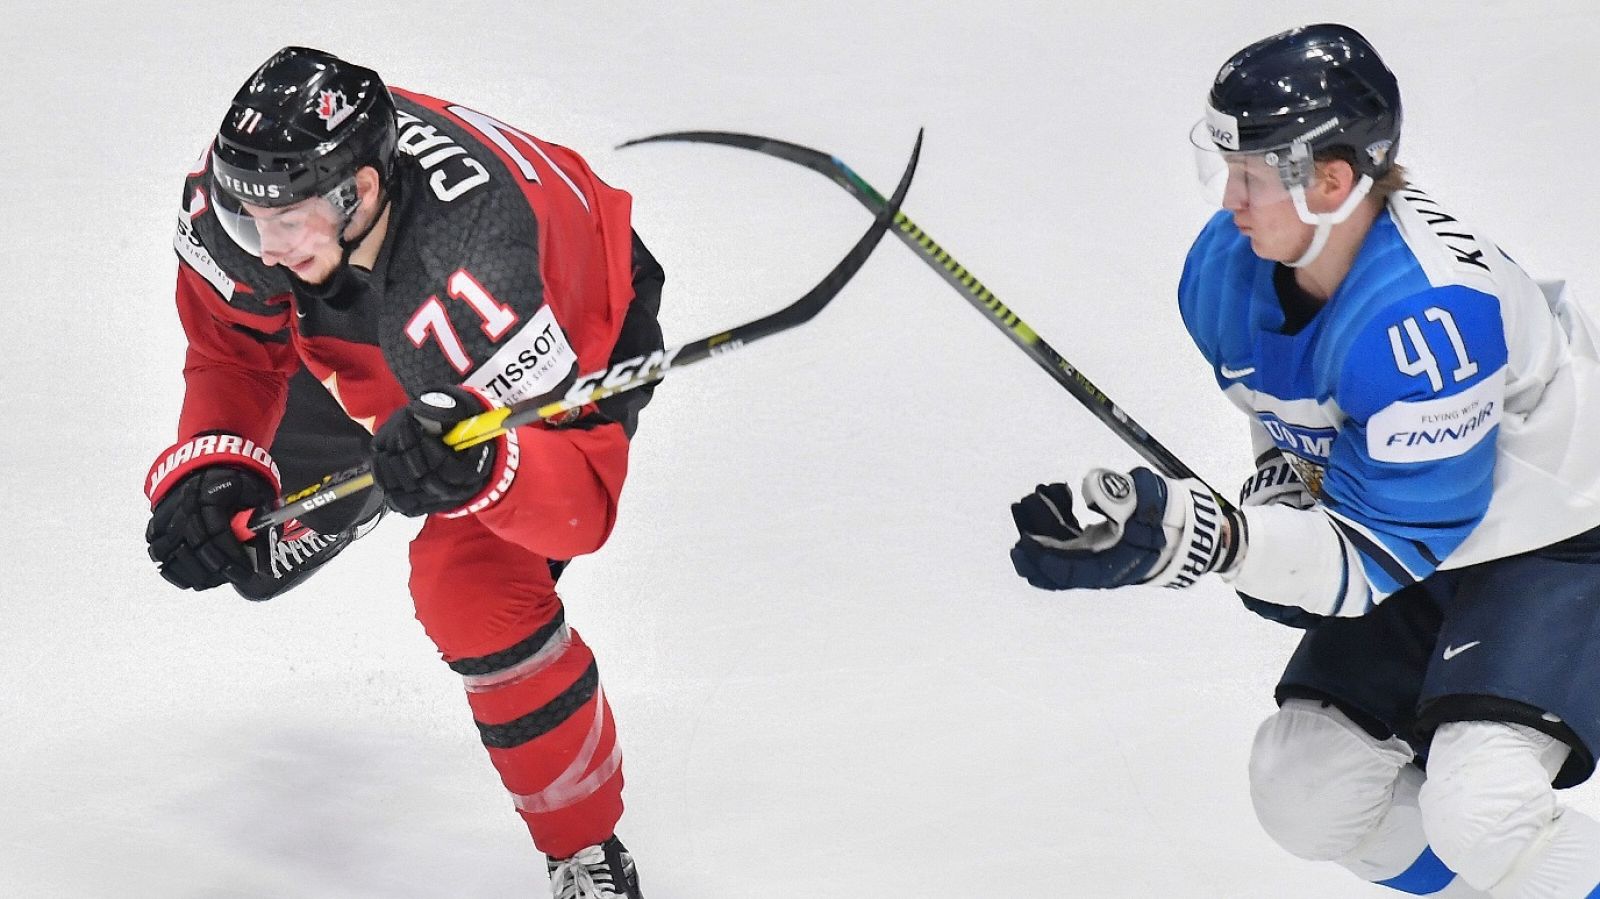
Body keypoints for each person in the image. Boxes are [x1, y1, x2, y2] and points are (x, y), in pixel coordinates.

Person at [1007, 23, 1600, 898]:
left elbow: (1372, 559)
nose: (1230, 199)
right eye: (1226, 168)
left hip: (1555, 535)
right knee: (1306, 791)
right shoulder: (1227, 269)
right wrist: (1275, 488)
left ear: (1332, 180)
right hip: (1426, 517)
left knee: (1482, 806)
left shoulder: (1426, 318)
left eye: (1252, 174)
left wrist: (1223, 541)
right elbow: (1285, 410)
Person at [143, 46, 662, 898]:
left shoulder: (488, 271)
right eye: (246, 220)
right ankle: (378, 464)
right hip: (381, 324)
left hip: (549, 327)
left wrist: (486, 466)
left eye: (287, 223)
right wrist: (215, 457)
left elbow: (581, 508)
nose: (263, 248)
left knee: (472, 592)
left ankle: (584, 847)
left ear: (361, 192)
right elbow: (232, 348)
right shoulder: (249, 195)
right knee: (247, 546)